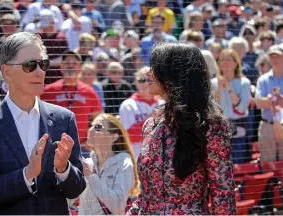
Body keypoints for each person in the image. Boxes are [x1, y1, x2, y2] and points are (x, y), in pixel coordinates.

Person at [0, 32, 86, 214]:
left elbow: (76, 189)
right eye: (30, 65)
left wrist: (63, 169)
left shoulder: (64, 119)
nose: (40, 72)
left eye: (43, 64)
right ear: (7, 72)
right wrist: (27, 174)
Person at [127, 41, 235, 215]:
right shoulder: (151, 124)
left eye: (155, 67)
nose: (148, 73)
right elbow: (146, 195)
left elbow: (223, 195)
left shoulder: (211, 127)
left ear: (173, 74)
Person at [79, 114, 139, 215]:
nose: (90, 130)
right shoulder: (87, 164)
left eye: (98, 127)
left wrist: (91, 177)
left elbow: (118, 206)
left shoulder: (124, 164)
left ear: (113, 137)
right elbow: (69, 199)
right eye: (91, 126)